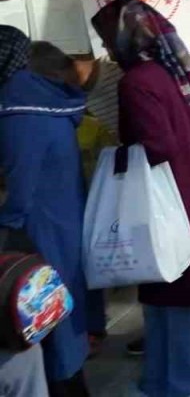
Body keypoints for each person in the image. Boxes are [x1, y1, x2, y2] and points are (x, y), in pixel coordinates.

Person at [89, 0, 190, 397]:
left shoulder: (136, 83)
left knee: (170, 287)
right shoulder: (177, 70)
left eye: (107, 40)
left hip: (169, 189)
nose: (106, 49)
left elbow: (156, 145)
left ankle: (173, 381)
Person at [0, 28, 90, 396]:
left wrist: (6, 225)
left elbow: (20, 183)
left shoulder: (17, 107)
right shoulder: (45, 97)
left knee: (39, 320)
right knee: (58, 312)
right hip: (62, 219)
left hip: (35, 230)